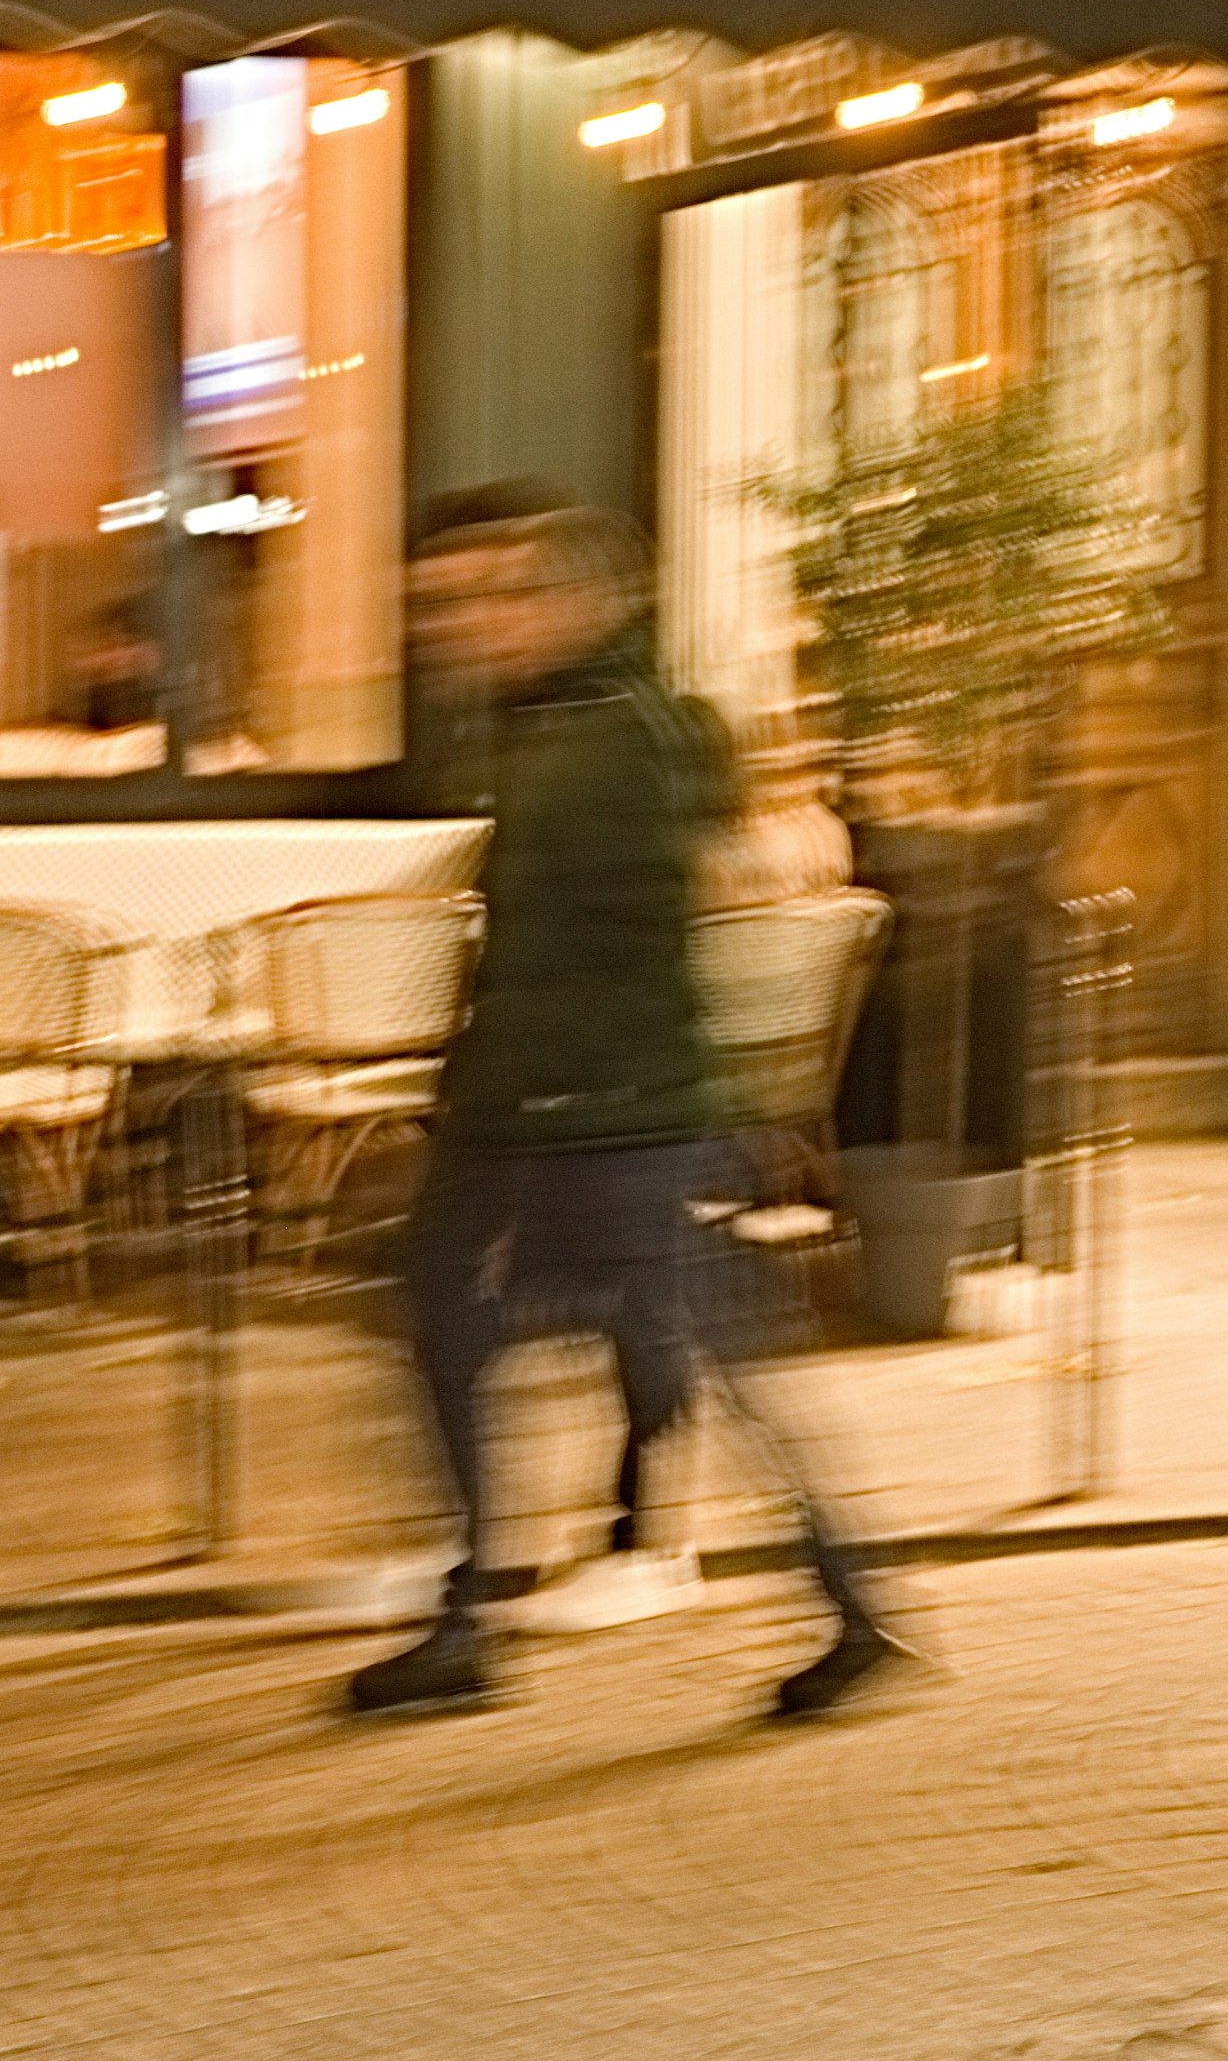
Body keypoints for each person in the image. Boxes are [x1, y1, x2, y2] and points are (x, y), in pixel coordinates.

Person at [345, 495, 901, 1724]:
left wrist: (495, 1099)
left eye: (500, 598)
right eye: (450, 603)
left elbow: (584, 953)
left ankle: (474, 1620)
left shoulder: (600, 745)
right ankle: (844, 1603)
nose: (470, 624)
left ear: (583, 603)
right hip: (590, 1109)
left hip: (583, 1117)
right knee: (691, 1345)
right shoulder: (606, 726)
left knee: (482, 1327)